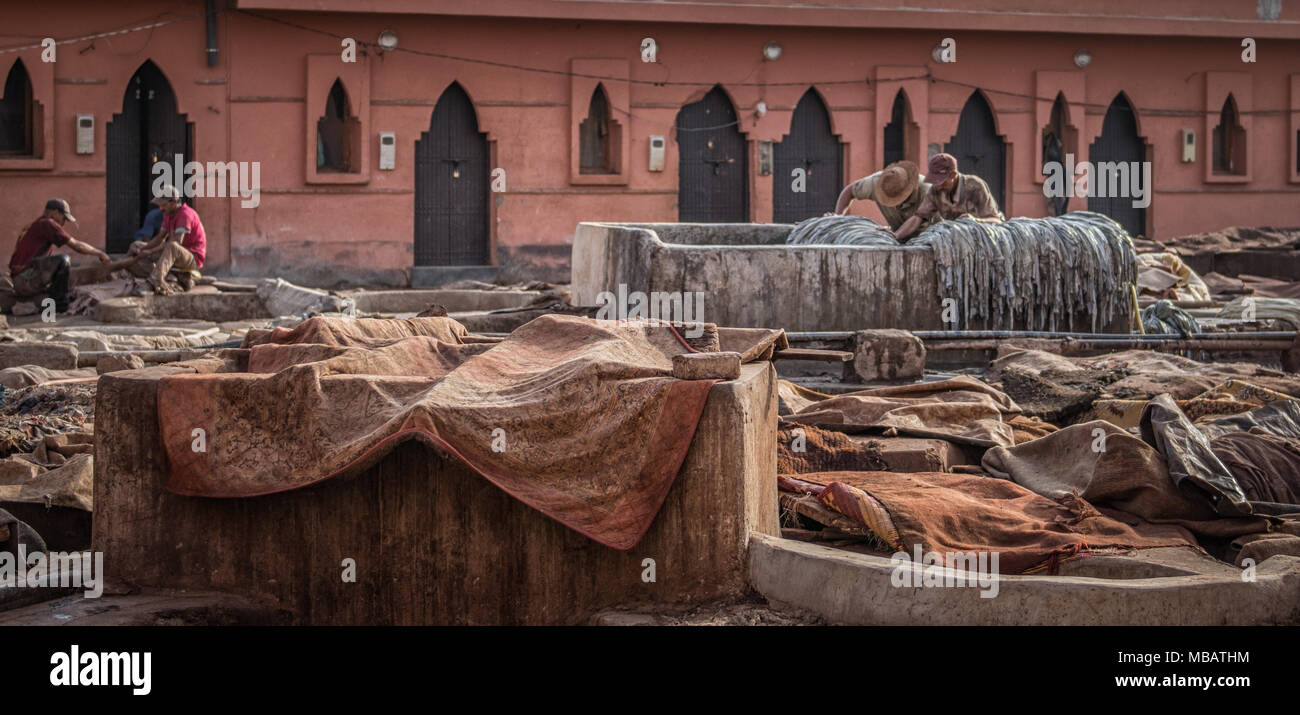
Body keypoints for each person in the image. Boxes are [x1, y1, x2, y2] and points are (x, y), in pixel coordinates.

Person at [7, 199, 110, 313]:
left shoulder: (35, 224)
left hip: (21, 277)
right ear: (55, 213)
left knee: (57, 266)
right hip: (24, 280)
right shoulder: (47, 223)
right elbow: (76, 245)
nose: (63, 223)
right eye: (64, 218)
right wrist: (99, 253)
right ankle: (59, 304)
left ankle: (52, 297)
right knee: (63, 261)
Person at [894, 152, 1005, 242]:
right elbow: (918, 217)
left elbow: (996, 220)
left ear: (953, 175)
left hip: (983, 240)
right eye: (935, 182)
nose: (938, 186)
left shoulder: (975, 186)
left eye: (941, 182)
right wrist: (896, 235)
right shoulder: (935, 189)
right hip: (955, 240)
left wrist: (975, 221)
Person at [128, 184, 206, 295]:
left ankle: (154, 281)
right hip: (174, 254)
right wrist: (143, 249)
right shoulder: (168, 215)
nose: (160, 208)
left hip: (192, 258)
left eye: (163, 205)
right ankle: (168, 277)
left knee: (172, 246)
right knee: (136, 245)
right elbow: (159, 238)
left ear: (173, 202)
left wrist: (149, 252)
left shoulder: (185, 214)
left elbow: (176, 243)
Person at [832, 160, 932, 233]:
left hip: (929, 233)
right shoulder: (878, 183)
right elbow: (849, 191)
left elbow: (917, 219)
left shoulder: (926, 191)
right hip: (897, 231)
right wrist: (838, 217)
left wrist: (896, 235)